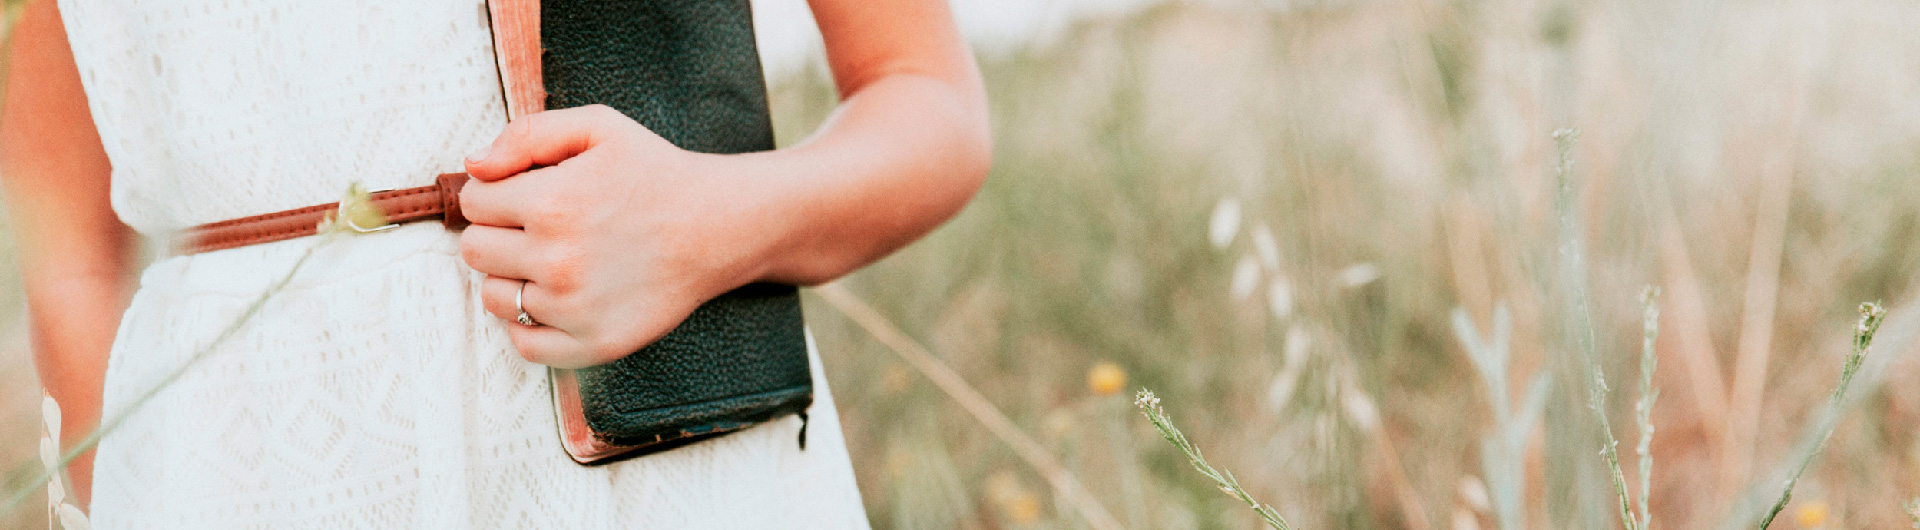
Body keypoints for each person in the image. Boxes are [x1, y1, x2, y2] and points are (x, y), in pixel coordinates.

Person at [0, 0, 988, 526]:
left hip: (649, 475)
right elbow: (69, 259)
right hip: (234, 477)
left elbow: (929, 100)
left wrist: (708, 220)